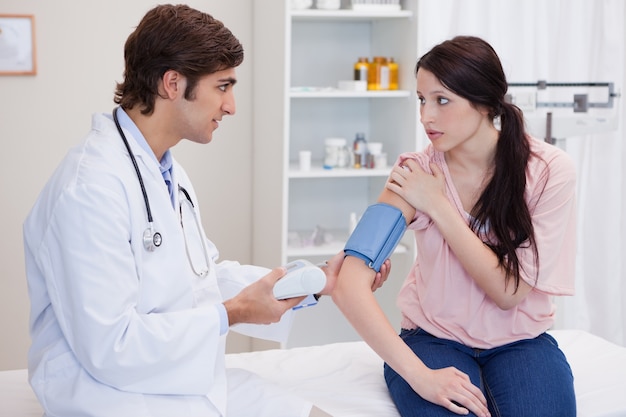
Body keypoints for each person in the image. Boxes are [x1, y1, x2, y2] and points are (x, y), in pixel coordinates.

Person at [22, 5, 390, 417]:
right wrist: (233, 313)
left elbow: (201, 280)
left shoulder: (164, 169)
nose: (231, 105)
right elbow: (111, 346)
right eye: (222, 86)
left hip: (173, 375)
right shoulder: (89, 189)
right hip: (110, 393)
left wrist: (318, 281)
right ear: (173, 84)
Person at [331, 36, 577, 417]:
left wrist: (438, 205)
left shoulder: (547, 172)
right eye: (421, 99)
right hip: (432, 340)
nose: (426, 116)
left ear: (484, 103)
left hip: (521, 342)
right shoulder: (413, 173)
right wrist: (419, 375)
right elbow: (349, 283)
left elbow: (509, 292)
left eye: (442, 100)